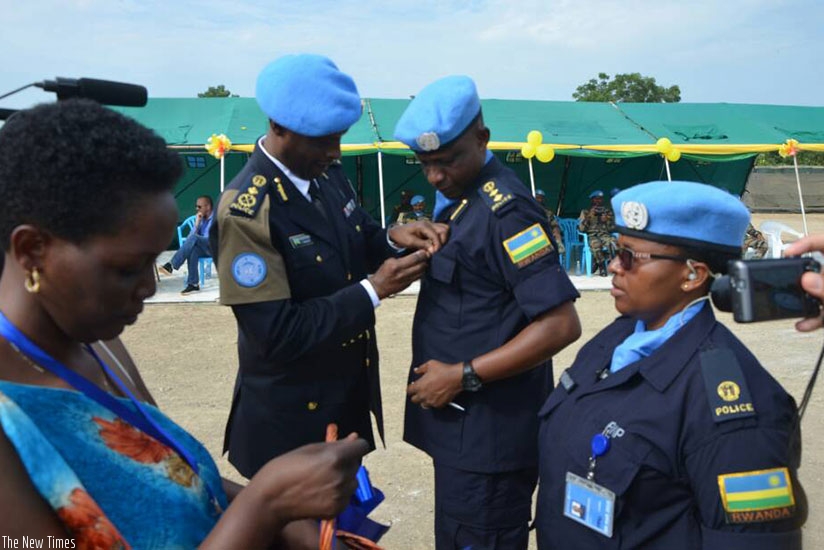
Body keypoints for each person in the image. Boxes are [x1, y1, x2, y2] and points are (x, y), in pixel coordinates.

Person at [0, 99, 371, 548]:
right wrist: (267, 504)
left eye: (153, 264)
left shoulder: (97, 342)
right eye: (126, 269)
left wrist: (296, 526)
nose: (149, 289)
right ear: (32, 250)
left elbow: (183, 482)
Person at [210, 54, 447, 479]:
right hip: (291, 426)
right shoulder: (247, 212)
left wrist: (393, 236)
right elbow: (275, 334)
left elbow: (356, 236)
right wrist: (373, 290)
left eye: (338, 136)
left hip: (341, 402)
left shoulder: (325, 173)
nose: (334, 150)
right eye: (322, 139)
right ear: (279, 126)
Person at [535, 180, 806, 549]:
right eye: (616, 250)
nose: (614, 265)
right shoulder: (619, 337)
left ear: (692, 275)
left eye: (630, 257)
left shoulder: (735, 412)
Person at [394, 75, 582, 549]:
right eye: (424, 163)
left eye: (447, 160)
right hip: (465, 432)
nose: (435, 175)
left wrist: (463, 374)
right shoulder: (461, 201)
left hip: (491, 437)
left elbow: (560, 324)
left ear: (482, 138)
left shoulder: (507, 212)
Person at [158, 195, 214, 294]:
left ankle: (171, 264)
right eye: (196, 206)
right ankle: (193, 284)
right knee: (192, 250)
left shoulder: (216, 218)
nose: (197, 209)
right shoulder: (201, 219)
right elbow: (189, 239)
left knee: (194, 238)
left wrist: (196, 237)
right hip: (204, 248)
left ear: (208, 207)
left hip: (215, 247)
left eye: (199, 207)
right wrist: (197, 224)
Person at [578, 190, 616, 276]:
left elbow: (612, 229)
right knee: (596, 245)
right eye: (595, 199)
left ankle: (603, 261)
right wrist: (588, 217)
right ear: (591, 200)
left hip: (605, 235)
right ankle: (602, 266)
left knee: (613, 243)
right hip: (592, 236)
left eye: (600, 199)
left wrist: (606, 221)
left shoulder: (607, 212)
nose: (598, 201)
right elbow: (581, 229)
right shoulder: (585, 212)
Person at [535, 189, 565, 256]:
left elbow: (553, 223)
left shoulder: (547, 212)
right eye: (537, 197)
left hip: (547, 231)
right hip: (534, 233)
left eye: (541, 198)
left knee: (556, 228)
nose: (539, 200)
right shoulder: (529, 209)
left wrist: (555, 229)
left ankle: (559, 245)